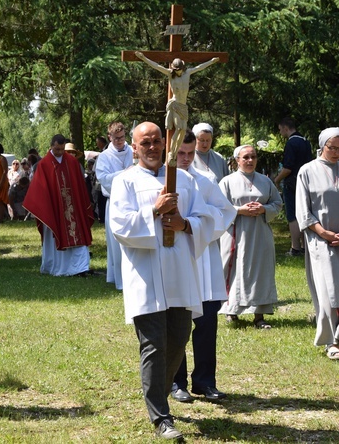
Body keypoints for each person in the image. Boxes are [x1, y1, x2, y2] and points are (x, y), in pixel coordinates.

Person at [109, 122, 214, 440]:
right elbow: (119, 225)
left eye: (157, 141)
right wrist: (153, 211)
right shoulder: (124, 181)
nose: (152, 147)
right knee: (154, 344)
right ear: (134, 146)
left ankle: (159, 391)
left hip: (179, 270)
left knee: (179, 338)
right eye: (146, 142)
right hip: (147, 274)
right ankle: (160, 416)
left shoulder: (183, 179)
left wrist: (184, 224)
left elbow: (206, 218)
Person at [171, 131, 236, 404]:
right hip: (177, 260)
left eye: (190, 154)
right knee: (177, 325)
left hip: (205, 259)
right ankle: (176, 382)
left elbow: (226, 212)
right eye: (180, 154)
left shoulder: (206, 180)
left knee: (207, 324)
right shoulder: (165, 180)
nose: (185, 159)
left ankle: (205, 381)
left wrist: (201, 229)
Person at [296, 127, 339, 360]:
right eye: (332, 147)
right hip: (320, 240)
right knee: (327, 290)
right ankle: (330, 341)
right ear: (322, 145)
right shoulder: (307, 171)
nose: (336, 152)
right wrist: (324, 233)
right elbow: (303, 210)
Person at [218, 145, 282, 328]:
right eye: (245, 157)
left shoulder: (265, 181)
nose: (250, 160)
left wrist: (264, 209)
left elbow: (277, 203)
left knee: (260, 272)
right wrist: (240, 210)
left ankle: (259, 314)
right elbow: (220, 207)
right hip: (236, 233)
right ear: (237, 160)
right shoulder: (227, 182)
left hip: (260, 234)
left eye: (253, 157)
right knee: (235, 269)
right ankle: (231, 310)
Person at [23, 134, 94, 276]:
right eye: (57, 149)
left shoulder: (72, 162)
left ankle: (80, 267)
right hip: (54, 210)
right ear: (51, 147)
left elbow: (80, 187)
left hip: (74, 209)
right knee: (56, 233)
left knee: (78, 233)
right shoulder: (44, 164)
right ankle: (57, 267)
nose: (60, 152)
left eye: (62, 149)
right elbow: (39, 190)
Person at [133, 52, 220, 165]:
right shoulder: (170, 74)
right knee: (179, 129)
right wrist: (143, 58)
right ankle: (172, 153)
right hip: (175, 104)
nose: (178, 71)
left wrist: (212, 61)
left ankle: (174, 151)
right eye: (176, 70)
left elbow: (199, 67)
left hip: (183, 106)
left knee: (183, 131)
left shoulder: (187, 73)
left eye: (179, 69)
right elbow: (156, 66)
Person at [95, 121, 133, 289]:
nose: (120, 141)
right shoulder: (104, 156)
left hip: (133, 201)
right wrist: (125, 174)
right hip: (115, 201)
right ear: (109, 137)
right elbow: (103, 178)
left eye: (122, 137)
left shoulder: (132, 151)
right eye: (116, 138)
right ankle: (121, 281)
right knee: (117, 242)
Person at [274, 117, 312, 257]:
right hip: (306, 181)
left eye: (280, 130)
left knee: (293, 215)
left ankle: (295, 247)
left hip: (292, 183)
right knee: (303, 212)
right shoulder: (305, 141)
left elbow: (288, 167)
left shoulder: (291, 143)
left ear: (285, 128)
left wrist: (277, 179)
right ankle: (304, 246)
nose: (280, 133)